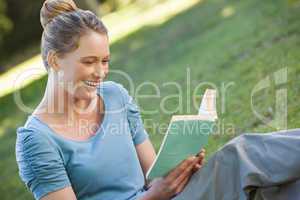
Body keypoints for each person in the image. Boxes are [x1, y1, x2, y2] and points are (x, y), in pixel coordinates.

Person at [15, 0, 205, 199]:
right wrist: (155, 196)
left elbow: (153, 178)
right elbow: (156, 193)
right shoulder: (37, 141)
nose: (100, 73)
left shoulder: (115, 96)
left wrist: (180, 173)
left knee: (236, 153)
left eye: (104, 61)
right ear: (55, 60)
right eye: (89, 62)